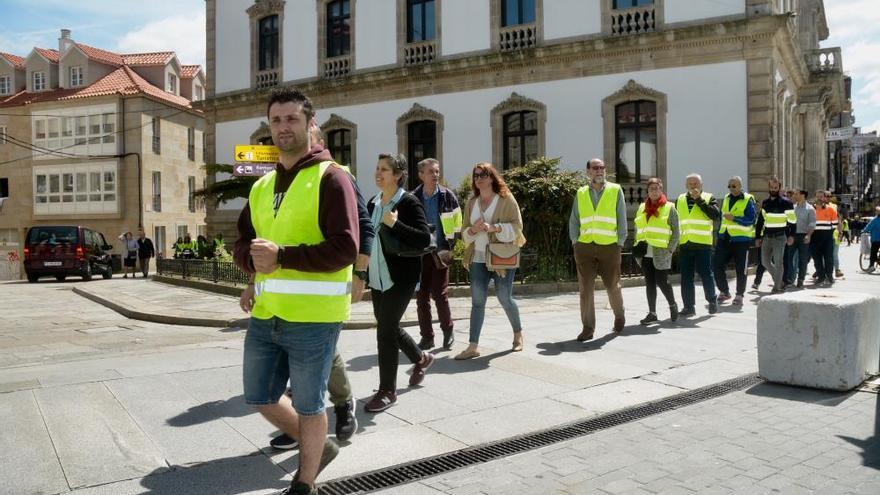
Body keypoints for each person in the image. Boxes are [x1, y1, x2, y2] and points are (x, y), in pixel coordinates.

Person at [233, 87, 359, 494]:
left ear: (310, 123)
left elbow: (346, 247)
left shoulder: (332, 177)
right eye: (276, 120)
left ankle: (305, 484)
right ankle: (319, 447)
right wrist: (251, 267)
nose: (283, 127)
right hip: (267, 313)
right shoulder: (260, 186)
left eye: (291, 119)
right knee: (259, 396)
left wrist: (282, 257)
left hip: (314, 317)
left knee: (309, 405)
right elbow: (242, 241)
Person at [267, 123, 370, 451]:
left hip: (324, 285)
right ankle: (306, 420)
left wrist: (360, 274)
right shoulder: (282, 179)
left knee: (318, 351)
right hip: (288, 288)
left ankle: (340, 405)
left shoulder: (336, 176)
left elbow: (364, 225)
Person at [364, 153, 434, 412]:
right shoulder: (372, 203)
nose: (378, 173)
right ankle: (421, 357)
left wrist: (396, 224)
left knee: (384, 332)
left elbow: (424, 239)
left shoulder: (408, 202)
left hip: (401, 277)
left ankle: (387, 391)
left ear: (397, 175)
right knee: (388, 326)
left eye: (384, 169)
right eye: (377, 168)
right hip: (377, 277)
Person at [456, 162, 526, 359]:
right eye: (476, 175)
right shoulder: (472, 202)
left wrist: (494, 228)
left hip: (500, 257)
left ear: (492, 177)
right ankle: (473, 346)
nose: (478, 178)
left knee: (505, 298)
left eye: (483, 175)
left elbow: (517, 226)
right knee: (477, 302)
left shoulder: (506, 199)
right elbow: (465, 233)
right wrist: (474, 229)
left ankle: (518, 335)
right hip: (478, 257)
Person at [568, 158, 627, 340]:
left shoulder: (615, 190)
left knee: (612, 286)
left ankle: (619, 314)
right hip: (584, 247)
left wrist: (620, 243)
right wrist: (575, 241)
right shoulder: (581, 192)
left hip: (609, 247)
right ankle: (588, 327)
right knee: (585, 289)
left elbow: (621, 218)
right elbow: (574, 219)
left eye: (602, 167)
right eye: (595, 168)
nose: (599, 170)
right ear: (588, 172)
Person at [412, 158, 461, 351]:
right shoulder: (413, 197)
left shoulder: (447, 196)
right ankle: (427, 337)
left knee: (440, 295)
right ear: (421, 175)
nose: (435, 175)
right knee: (421, 296)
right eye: (431, 172)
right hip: (421, 253)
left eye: (437, 171)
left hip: (441, 251)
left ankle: (448, 331)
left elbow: (457, 223)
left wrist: (449, 245)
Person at [633, 178, 680, 324]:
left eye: (656, 188)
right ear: (648, 191)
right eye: (651, 188)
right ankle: (652, 313)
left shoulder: (669, 207)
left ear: (661, 190)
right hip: (645, 251)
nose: (654, 191)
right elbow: (637, 228)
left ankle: (672, 305)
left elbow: (676, 232)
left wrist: (670, 250)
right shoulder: (641, 207)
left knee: (662, 281)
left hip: (661, 252)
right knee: (649, 283)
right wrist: (636, 245)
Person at [676, 173, 720, 317]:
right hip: (685, 243)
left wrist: (699, 200)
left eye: (696, 183)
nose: (693, 185)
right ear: (686, 185)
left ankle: (712, 301)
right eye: (690, 183)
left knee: (706, 274)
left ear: (701, 185)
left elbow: (714, 215)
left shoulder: (708, 197)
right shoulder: (680, 199)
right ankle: (689, 307)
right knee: (686, 277)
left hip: (702, 244)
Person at [713, 176, 756, 306]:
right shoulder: (726, 198)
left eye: (734, 186)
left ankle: (739, 295)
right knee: (716, 266)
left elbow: (752, 219)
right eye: (729, 186)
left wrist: (735, 218)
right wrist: (718, 235)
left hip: (741, 240)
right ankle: (724, 291)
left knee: (741, 269)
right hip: (724, 238)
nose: (731, 188)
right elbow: (722, 218)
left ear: (740, 186)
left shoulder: (748, 199)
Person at [754, 177, 794, 293]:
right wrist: (757, 237)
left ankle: (777, 287)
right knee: (764, 262)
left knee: (778, 262)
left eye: (775, 187)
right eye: (771, 187)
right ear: (769, 187)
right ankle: (780, 281)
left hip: (780, 237)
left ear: (779, 188)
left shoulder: (786, 203)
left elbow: (792, 221)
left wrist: (791, 235)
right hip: (767, 237)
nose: (773, 189)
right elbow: (761, 221)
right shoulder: (765, 203)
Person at [787, 189, 815, 288]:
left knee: (802, 259)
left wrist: (809, 235)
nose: (794, 195)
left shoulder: (810, 209)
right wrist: (789, 236)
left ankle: (801, 279)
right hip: (793, 236)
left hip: (804, 236)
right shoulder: (793, 208)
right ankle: (790, 279)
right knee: (789, 258)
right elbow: (789, 223)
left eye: (796, 194)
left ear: (803, 195)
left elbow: (812, 224)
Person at [811, 190, 838, 287]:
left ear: (824, 198)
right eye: (818, 196)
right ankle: (821, 276)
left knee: (829, 257)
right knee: (816, 258)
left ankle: (829, 275)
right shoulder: (811, 209)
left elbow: (835, 224)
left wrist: (829, 233)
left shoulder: (831, 209)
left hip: (827, 237)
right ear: (815, 197)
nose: (819, 198)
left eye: (821, 197)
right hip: (814, 238)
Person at [861, 206, 880, 272]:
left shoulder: (875, 220)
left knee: (873, 253)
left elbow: (868, 227)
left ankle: (871, 266)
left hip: (876, 239)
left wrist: (864, 231)